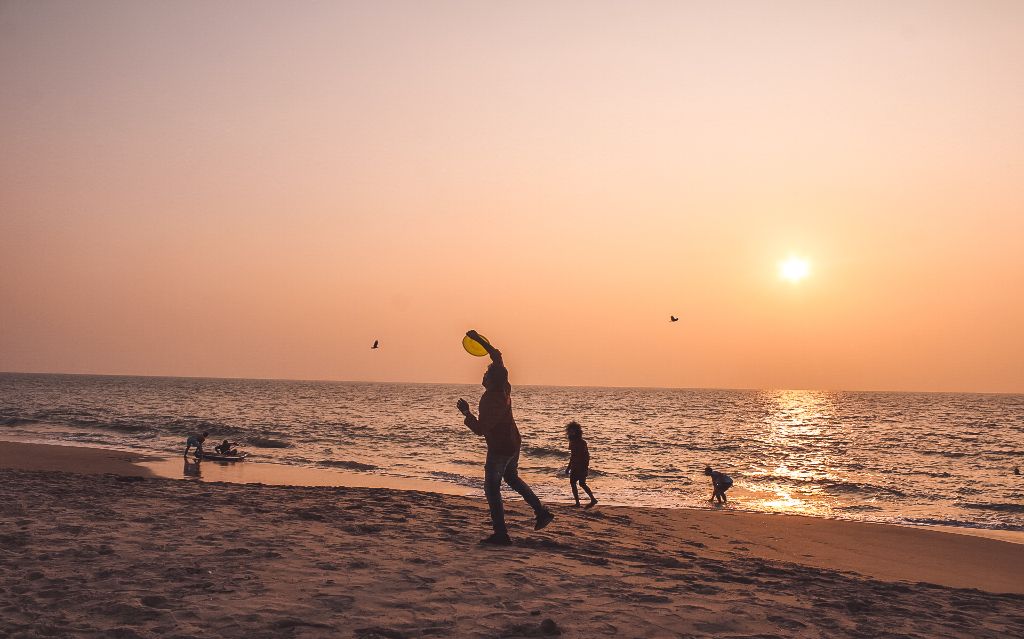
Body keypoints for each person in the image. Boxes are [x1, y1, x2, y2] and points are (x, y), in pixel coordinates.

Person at [456, 330, 554, 545]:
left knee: (492, 489)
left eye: (486, 374)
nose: (483, 376)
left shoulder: (491, 400)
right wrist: (479, 340)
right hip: (513, 443)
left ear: (491, 380)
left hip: (500, 448)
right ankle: (541, 512)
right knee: (511, 478)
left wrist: (466, 413)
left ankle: (501, 534)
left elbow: (481, 429)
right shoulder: (504, 388)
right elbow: (497, 356)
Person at [564, 421, 597, 509]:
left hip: (581, 466)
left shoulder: (582, 442)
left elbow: (586, 456)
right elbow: (572, 456)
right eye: (570, 431)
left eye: (573, 431)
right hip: (575, 466)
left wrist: (584, 467)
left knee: (582, 483)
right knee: (573, 483)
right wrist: (569, 467)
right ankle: (578, 502)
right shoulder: (572, 442)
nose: (571, 432)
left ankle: (592, 499)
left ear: (577, 431)